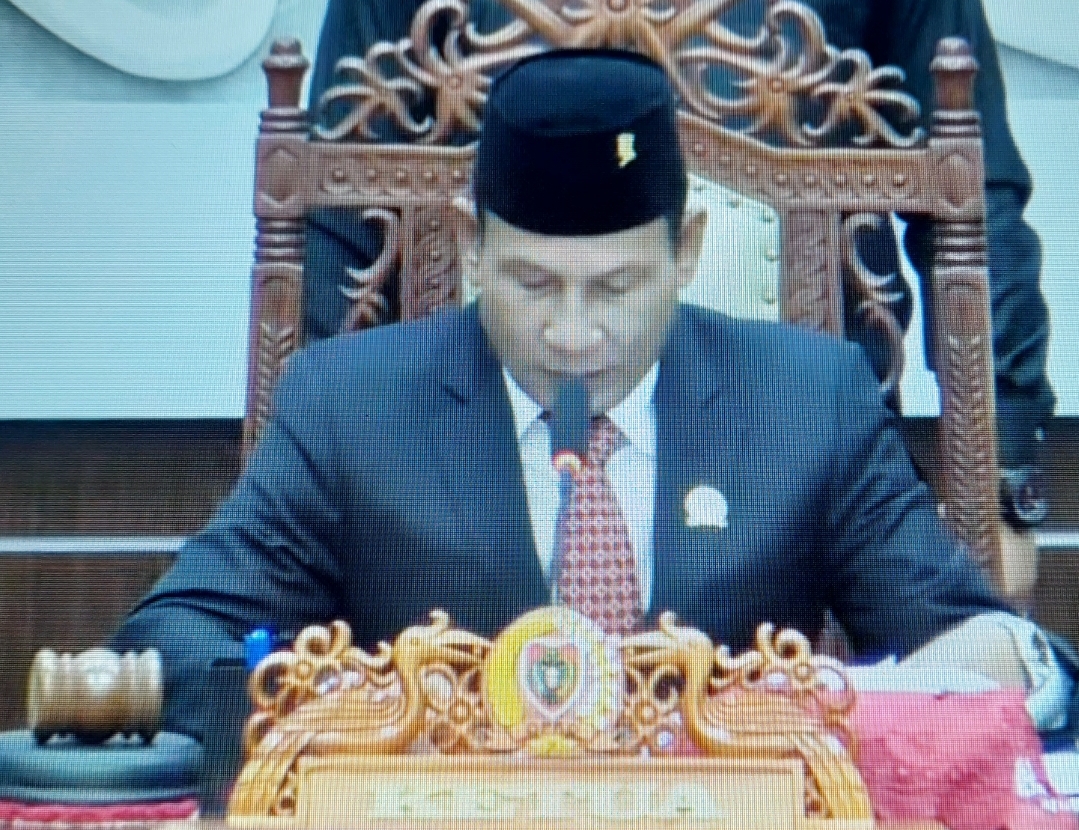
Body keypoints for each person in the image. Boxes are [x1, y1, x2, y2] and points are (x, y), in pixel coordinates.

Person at [114, 49, 1072, 742]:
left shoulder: (805, 401)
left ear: (685, 251)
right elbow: (169, 641)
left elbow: (988, 647)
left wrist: (837, 705)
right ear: (472, 245)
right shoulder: (351, 407)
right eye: (532, 284)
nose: (573, 333)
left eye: (616, 287)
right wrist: (367, 711)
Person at [303, 0, 1055, 598]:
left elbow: (970, 205)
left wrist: (999, 489)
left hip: (805, 479)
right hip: (473, 478)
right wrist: (313, 479)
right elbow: (336, 214)